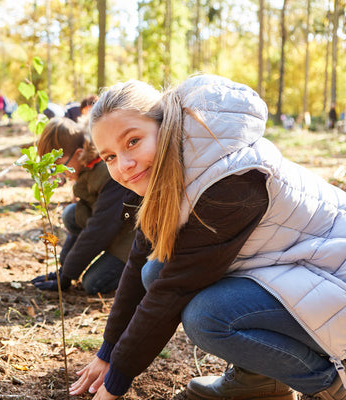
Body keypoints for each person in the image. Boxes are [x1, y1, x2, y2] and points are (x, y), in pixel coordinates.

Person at [70, 75, 346, 400]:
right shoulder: (170, 169)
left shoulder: (228, 179)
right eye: (110, 157)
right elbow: (137, 263)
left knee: (209, 316)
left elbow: (173, 291)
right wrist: (107, 351)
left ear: (166, 124)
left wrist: (114, 384)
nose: (125, 165)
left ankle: (331, 385)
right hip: (299, 270)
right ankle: (260, 382)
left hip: (334, 278)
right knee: (153, 269)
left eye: (132, 141)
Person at [31, 118, 139, 295]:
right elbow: (87, 220)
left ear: (78, 153)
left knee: (93, 283)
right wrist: (63, 269)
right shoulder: (86, 168)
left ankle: (138, 275)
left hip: (132, 237)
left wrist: (66, 277)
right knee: (71, 214)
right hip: (113, 226)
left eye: (60, 166)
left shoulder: (107, 172)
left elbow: (98, 230)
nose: (59, 173)